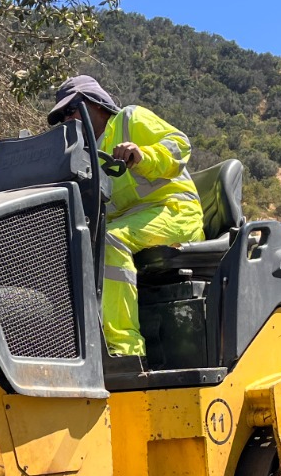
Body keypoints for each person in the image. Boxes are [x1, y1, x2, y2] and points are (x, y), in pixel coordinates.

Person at [46, 75, 204, 360]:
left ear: (94, 102)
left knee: (108, 241)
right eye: (63, 116)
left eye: (72, 109)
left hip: (175, 212)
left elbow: (180, 144)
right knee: (77, 244)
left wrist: (143, 155)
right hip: (135, 222)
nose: (69, 119)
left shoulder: (130, 119)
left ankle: (125, 351)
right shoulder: (85, 154)